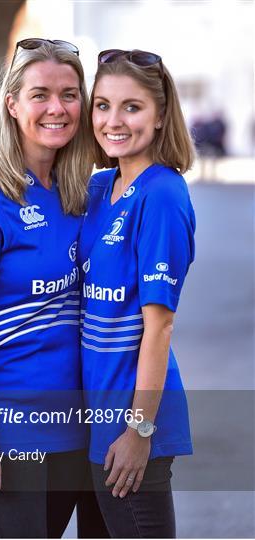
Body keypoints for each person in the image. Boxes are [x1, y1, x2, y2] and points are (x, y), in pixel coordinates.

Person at [0, 39, 108, 539]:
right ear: (12, 104)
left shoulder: (79, 191)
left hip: (77, 428)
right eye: (40, 94)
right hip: (6, 433)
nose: (57, 108)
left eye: (70, 94)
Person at [79, 48, 196, 538]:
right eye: (103, 105)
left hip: (128, 429)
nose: (113, 120)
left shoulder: (162, 194)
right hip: (90, 421)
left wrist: (138, 430)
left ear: (161, 114)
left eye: (132, 106)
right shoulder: (99, 187)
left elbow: (160, 324)